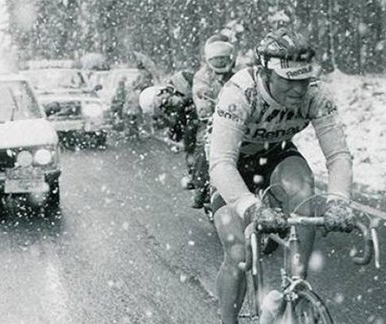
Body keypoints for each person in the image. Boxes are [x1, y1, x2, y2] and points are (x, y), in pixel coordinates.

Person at [208, 27, 355, 324]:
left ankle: (295, 286)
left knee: (304, 189)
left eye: (303, 78)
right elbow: (222, 162)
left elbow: (338, 156)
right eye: (289, 80)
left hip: (274, 152)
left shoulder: (316, 93)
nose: (298, 90)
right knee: (239, 252)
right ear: (266, 73)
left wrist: (339, 200)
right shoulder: (239, 93)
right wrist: (250, 207)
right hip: (230, 162)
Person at [188, 33, 239, 209]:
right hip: (214, 120)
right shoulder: (203, 76)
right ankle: (200, 187)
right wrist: (207, 109)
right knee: (205, 144)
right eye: (216, 59)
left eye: (223, 58)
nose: (219, 63)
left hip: (240, 120)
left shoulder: (239, 73)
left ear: (231, 57)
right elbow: (201, 94)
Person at [138, 70, 198, 171]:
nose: (170, 107)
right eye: (165, 110)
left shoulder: (183, 79)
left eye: (165, 102)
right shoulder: (179, 113)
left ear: (161, 91)